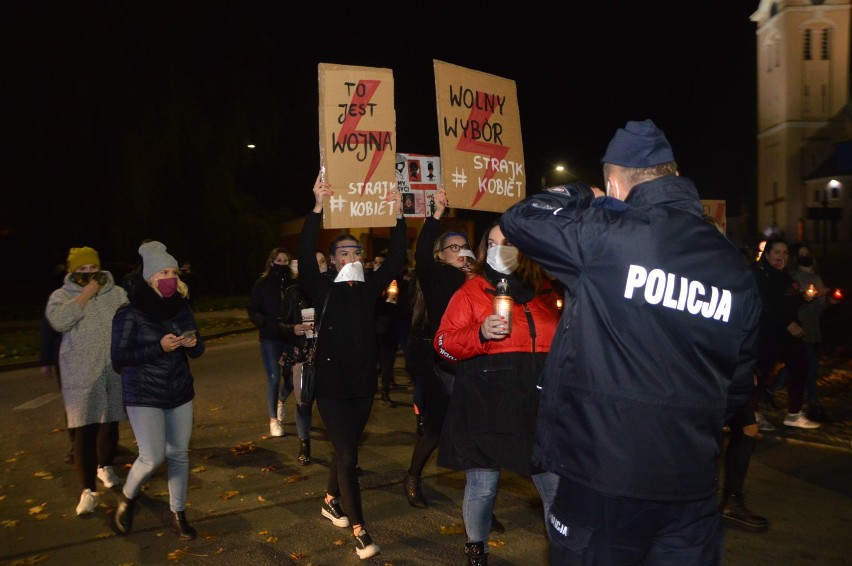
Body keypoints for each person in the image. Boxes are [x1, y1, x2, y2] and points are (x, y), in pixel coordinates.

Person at [500, 119, 762, 564]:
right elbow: (737, 382)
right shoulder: (734, 269)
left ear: (616, 182)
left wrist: (583, 193)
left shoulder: (607, 239)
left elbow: (520, 219)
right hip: (692, 484)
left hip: (602, 477)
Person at [434, 219, 560, 565]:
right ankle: (477, 549)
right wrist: (479, 333)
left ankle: (562, 549)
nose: (499, 249)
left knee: (554, 485)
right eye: (492, 243)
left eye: (508, 242)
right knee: (483, 485)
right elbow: (443, 345)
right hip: (488, 402)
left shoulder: (547, 291)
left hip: (539, 403)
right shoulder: (470, 292)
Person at [296, 171, 406, 560]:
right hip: (331, 387)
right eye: (344, 252)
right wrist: (317, 207)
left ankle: (329, 500)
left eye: (356, 252)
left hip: (362, 386)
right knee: (348, 456)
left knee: (346, 451)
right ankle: (360, 530)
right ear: (333, 261)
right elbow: (306, 247)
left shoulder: (371, 288)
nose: (352, 258)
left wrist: (396, 214)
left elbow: (396, 258)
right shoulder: (322, 286)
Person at [111, 240, 205, 540]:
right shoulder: (130, 312)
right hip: (143, 393)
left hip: (178, 391)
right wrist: (158, 348)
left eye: (174, 272)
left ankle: (178, 513)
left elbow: (198, 349)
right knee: (151, 458)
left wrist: (193, 344)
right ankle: (127, 497)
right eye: (164, 272)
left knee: (178, 454)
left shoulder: (180, 307)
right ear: (150, 277)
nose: (170, 278)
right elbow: (119, 359)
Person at [403, 188, 475, 509]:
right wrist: (435, 217)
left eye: (465, 247)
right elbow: (419, 258)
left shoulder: (480, 281)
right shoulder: (437, 277)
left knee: (476, 432)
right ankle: (413, 477)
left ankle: (479, 501)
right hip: (442, 366)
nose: (461, 252)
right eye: (454, 247)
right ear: (441, 255)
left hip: (473, 364)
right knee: (434, 431)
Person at [45, 246, 128, 516]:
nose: (90, 274)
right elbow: (58, 322)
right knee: (85, 430)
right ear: (72, 271)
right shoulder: (60, 296)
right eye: (82, 270)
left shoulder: (116, 293)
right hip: (80, 373)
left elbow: (129, 322)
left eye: (93, 269)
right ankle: (87, 491)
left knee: (110, 422)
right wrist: (84, 295)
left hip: (111, 369)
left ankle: (105, 466)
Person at [751, 236, 821, 430]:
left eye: (785, 253)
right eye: (776, 252)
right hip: (766, 332)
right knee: (761, 372)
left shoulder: (784, 275)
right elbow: (764, 303)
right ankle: (752, 413)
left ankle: (793, 413)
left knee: (801, 366)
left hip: (786, 333)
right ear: (767, 254)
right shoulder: (759, 273)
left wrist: (804, 297)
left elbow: (786, 300)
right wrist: (786, 322)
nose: (781, 256)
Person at [765, 242, 838, 423]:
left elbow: (812, 306)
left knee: (798, 366)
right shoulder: (788, 277)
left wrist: (825, 301)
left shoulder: (809, 277)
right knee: (808, 367)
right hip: (793, 329)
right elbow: (778, 304)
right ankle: (813, 405)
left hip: (809, 329)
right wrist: (790, 319)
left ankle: (776, 397)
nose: (805, 256)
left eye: (807, 253)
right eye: (801, 253)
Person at [277, 249, 328, 465]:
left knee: (330, 405)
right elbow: (280, 323)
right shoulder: (294, 292)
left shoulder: (334, 289)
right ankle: (304, 444)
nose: (320, 266)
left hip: (328, 354)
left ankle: (343, 451)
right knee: (304, 402)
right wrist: (293, 328)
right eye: (314, 263)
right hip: (303, 354)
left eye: (323, 262)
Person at [248, 247, 296, 437]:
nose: (282, 264)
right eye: (279, 261)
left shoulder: (294, 284)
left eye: (285, 261)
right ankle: (273, 420)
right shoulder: (262, 284)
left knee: (292, 379)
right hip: (270, 338)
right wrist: (265, 322)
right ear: (271, 262)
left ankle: (280, 401)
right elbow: (253, 309)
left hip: (290, 337)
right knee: (274, 377)